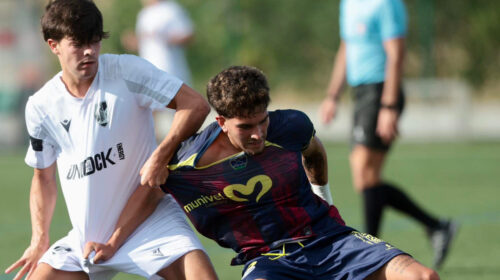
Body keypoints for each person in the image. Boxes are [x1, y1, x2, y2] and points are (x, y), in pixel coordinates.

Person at [96, 66, 439, 279]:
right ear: (221, 123)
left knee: (423, 277)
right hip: (268, 261)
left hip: (331, 240)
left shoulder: (290, 126)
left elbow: (314, 151)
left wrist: (324, 199)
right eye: (246, 127)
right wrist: (112, 243)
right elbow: (146, 193)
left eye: (263, 121)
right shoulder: (185, 165)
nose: (259, 134)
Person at [4, 1, 217, 279]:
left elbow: (196, 105)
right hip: (87, 238)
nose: (89, 51)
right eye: (78, 44)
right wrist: (38, 240)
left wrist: (161, 155)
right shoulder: (41, 106)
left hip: (151, 222)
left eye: (94, 41)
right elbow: (43, 178)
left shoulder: (127, 71)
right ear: (53, 45)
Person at [319, 0, 458, 269]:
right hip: (360, 94)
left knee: (364, 171)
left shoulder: (386, 3)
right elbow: (346, 48)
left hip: (380, 91)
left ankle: (369, 251)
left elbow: (396, 53)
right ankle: (436, 227)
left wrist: (389, 105)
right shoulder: (348, 3)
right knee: (366, 178)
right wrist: (332, 95)